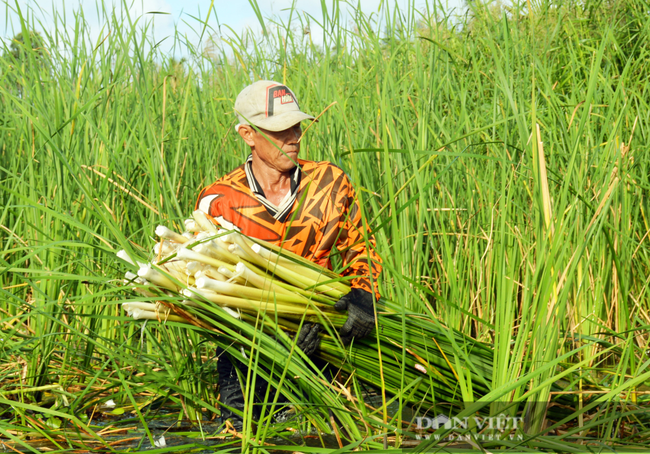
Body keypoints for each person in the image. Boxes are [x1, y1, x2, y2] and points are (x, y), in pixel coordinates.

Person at [195, 80, 382, 429]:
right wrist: (276, 335)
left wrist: (364, 296)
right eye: (279, 130)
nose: (293, 136)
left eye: (296, 125)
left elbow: (361, 249)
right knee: (244, 434)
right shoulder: (219, 202)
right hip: (249, 349)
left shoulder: (330, 183)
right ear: (248, 134)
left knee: (342, 430)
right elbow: (211, 295)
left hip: (324, 334)